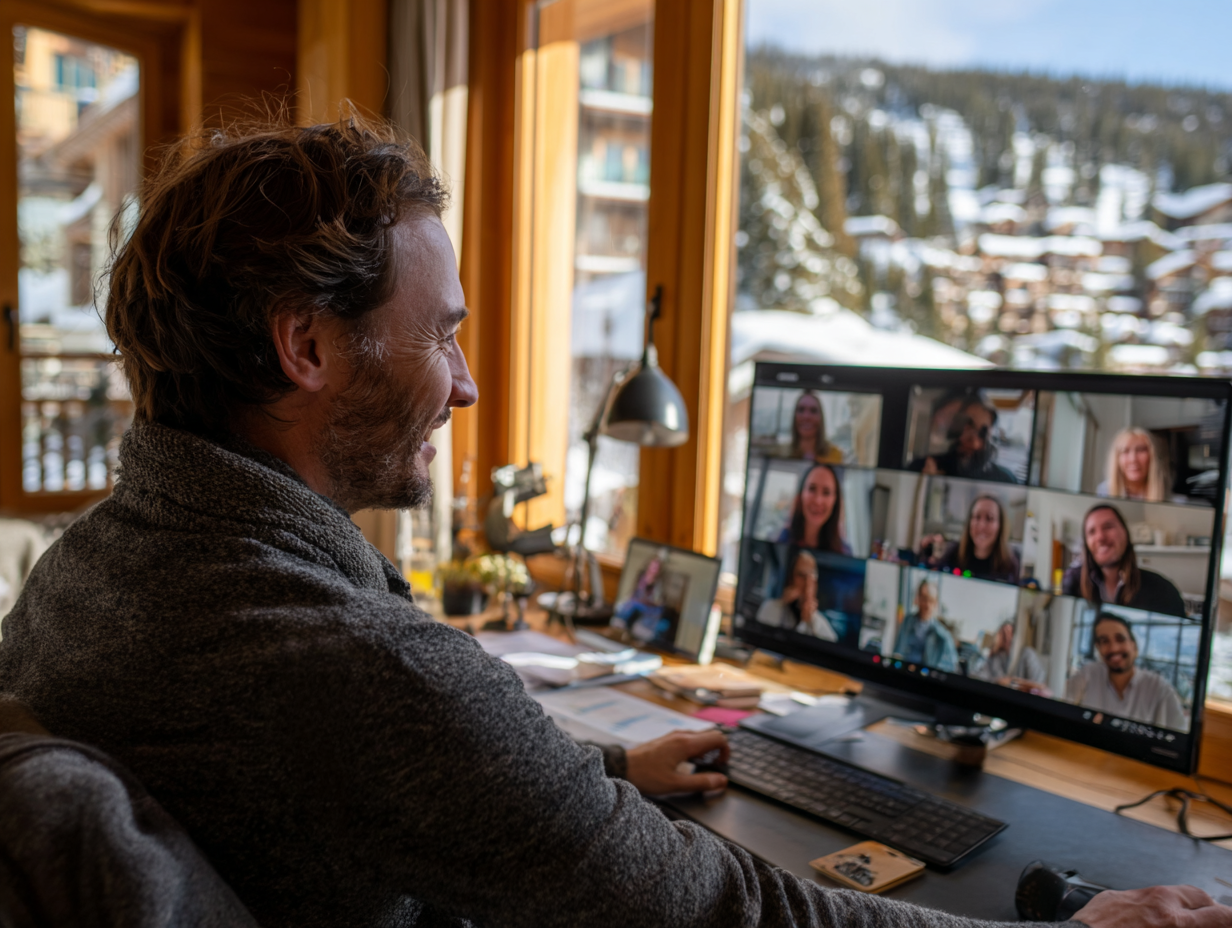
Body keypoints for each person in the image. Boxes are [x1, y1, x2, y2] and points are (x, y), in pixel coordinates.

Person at [0, 115, 1220, 928]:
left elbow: (344, 771)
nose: (467, 384)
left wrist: (580, 772)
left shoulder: (85, 568)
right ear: (305, 345)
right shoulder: (350, 662)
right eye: (444, 333)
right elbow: (729, 912)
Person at [1065, 613, 1187, 730]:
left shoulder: (1160, 689)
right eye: (1104, 641)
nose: (1113, 648)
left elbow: (1179, 735)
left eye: (1120, 639)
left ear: (1134, 647)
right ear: (1098, 648)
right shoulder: (1086, 675)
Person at [1062, 504, 1187, 618]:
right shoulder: (1072, 584)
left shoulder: (1163, 590)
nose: (1100, 537)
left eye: (1108, 527)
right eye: (1091, 532)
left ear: (1126, 533)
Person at [910, 393, 1018, 483]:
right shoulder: (922, 467)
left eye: (982, 433)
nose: (975, 443)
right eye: (967, 429)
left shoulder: (1006, 480)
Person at [920, 495, 1020, 584]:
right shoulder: (953, 553)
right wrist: (926, 555)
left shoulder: (1012, 565)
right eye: (977, 517)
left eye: (989, 518)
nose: (981, 526)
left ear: (1000, 526)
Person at [755, 550, 838, 641]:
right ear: (791, 579)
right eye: (801, 576)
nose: (806, 583)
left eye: (811, 577)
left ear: (815, 584)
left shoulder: (821, 624)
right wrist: (781, 604)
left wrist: (809, 621)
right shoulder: (771, 607)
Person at [777, 463, 851, 554]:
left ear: (835, 501)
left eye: (826, 492)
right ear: (801, 495)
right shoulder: (782, 540)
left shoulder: (845, 552)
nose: (818, 501)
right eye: (812, 489)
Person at [893, 580, 959, 671]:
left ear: (936, 603)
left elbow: (951, 665)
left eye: (931, 601)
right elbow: (897, 651)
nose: (927, 605)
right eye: (924, 599)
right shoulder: (907, 621)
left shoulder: (942, 636)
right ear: (918, 599)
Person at [1096, 427, 1173, 502]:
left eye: (1140, 450)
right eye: (1125, 451)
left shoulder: (1173, 502)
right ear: (1117, 458)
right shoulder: (1103, 493)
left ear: (1152, 456)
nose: (1133, 459)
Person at [971, 621, 1048, 693]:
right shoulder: (995, 658)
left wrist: (1011, 682)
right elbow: (981, 676)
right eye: (1004, 634)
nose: (1007, 637)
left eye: (1011, 633)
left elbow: (1039, 685)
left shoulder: (1028, 654)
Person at [614, 549, 667, 642]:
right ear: (649, 565)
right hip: (637, 602)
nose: (653, 569)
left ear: (658, 570)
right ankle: (619, 625)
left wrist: (644, 600)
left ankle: (642, 632)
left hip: (650, 606)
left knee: (656, 612)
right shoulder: (641, 575)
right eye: (652, 566)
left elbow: (657, 600)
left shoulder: (658, 582)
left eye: (656, 567)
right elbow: (634, 591)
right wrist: (628, 599)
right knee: (626, 605)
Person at [786, 391, 844, 464]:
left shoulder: (835, 455)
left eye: (813, 411)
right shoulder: (782, 452)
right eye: (801, 410)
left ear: (821, 418)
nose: (806, 416)